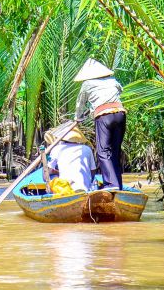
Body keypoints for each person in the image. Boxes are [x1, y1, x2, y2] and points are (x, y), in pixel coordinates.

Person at [74, 58, 126, 189]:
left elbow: (80, 103)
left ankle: (110, 184)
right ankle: (118, 185)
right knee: (115, 151)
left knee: (103, 152)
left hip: (104, 116)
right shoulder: (112, 80)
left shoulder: (87, 84)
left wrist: (78, 118)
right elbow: (120, 90)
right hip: (120, 114)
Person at [44, 124, 97, 192]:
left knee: (49, 175)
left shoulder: (57, 149)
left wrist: (44, 162)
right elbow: (93, 171)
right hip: (85, 188)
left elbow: (46, 174)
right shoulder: (87, 149)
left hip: (67, 189)